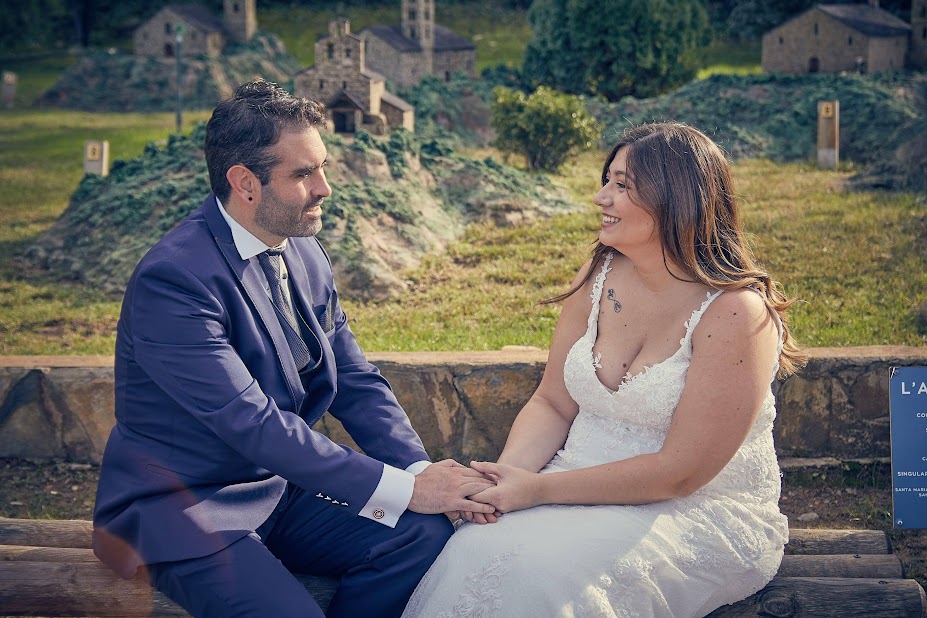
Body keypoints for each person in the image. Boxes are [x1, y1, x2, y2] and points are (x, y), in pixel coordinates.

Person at [92, 79, 496, 618]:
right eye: (303, 173)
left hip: (279, 491)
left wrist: (417, 472)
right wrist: (398, 488)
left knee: (420, 537)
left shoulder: (304, 254)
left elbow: (354, 379)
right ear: (245, 182)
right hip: (185, 508)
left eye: (322, 166)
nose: (325, 186)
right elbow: (252, 423)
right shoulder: (175, 280)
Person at [402, 122, 806, 617]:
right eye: (607, 181)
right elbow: (552, 402)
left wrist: (537, 490)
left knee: (542, 582)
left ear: (677, 200)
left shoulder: (737, 313)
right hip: (567, 484)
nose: (601, 198)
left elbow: (681, 473)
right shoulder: (599, 274)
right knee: (474, 551)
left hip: (694, 511)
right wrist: (509, 478)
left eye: (621, 186)